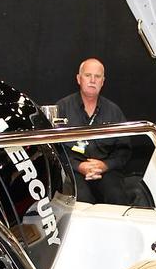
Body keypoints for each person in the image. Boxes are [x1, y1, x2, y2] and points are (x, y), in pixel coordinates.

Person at [55, 58, 132, 204]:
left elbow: (124, 150)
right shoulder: (62, 107)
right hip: (74, 170)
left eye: (97, 77)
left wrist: (105, 166)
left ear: (103, 82)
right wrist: (79, 166)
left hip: (105, 170)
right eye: (87, 75)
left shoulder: (114, 111)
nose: (92, 80)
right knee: (82, 200)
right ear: (79, 79)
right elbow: (54, 148)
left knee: (116, 196)